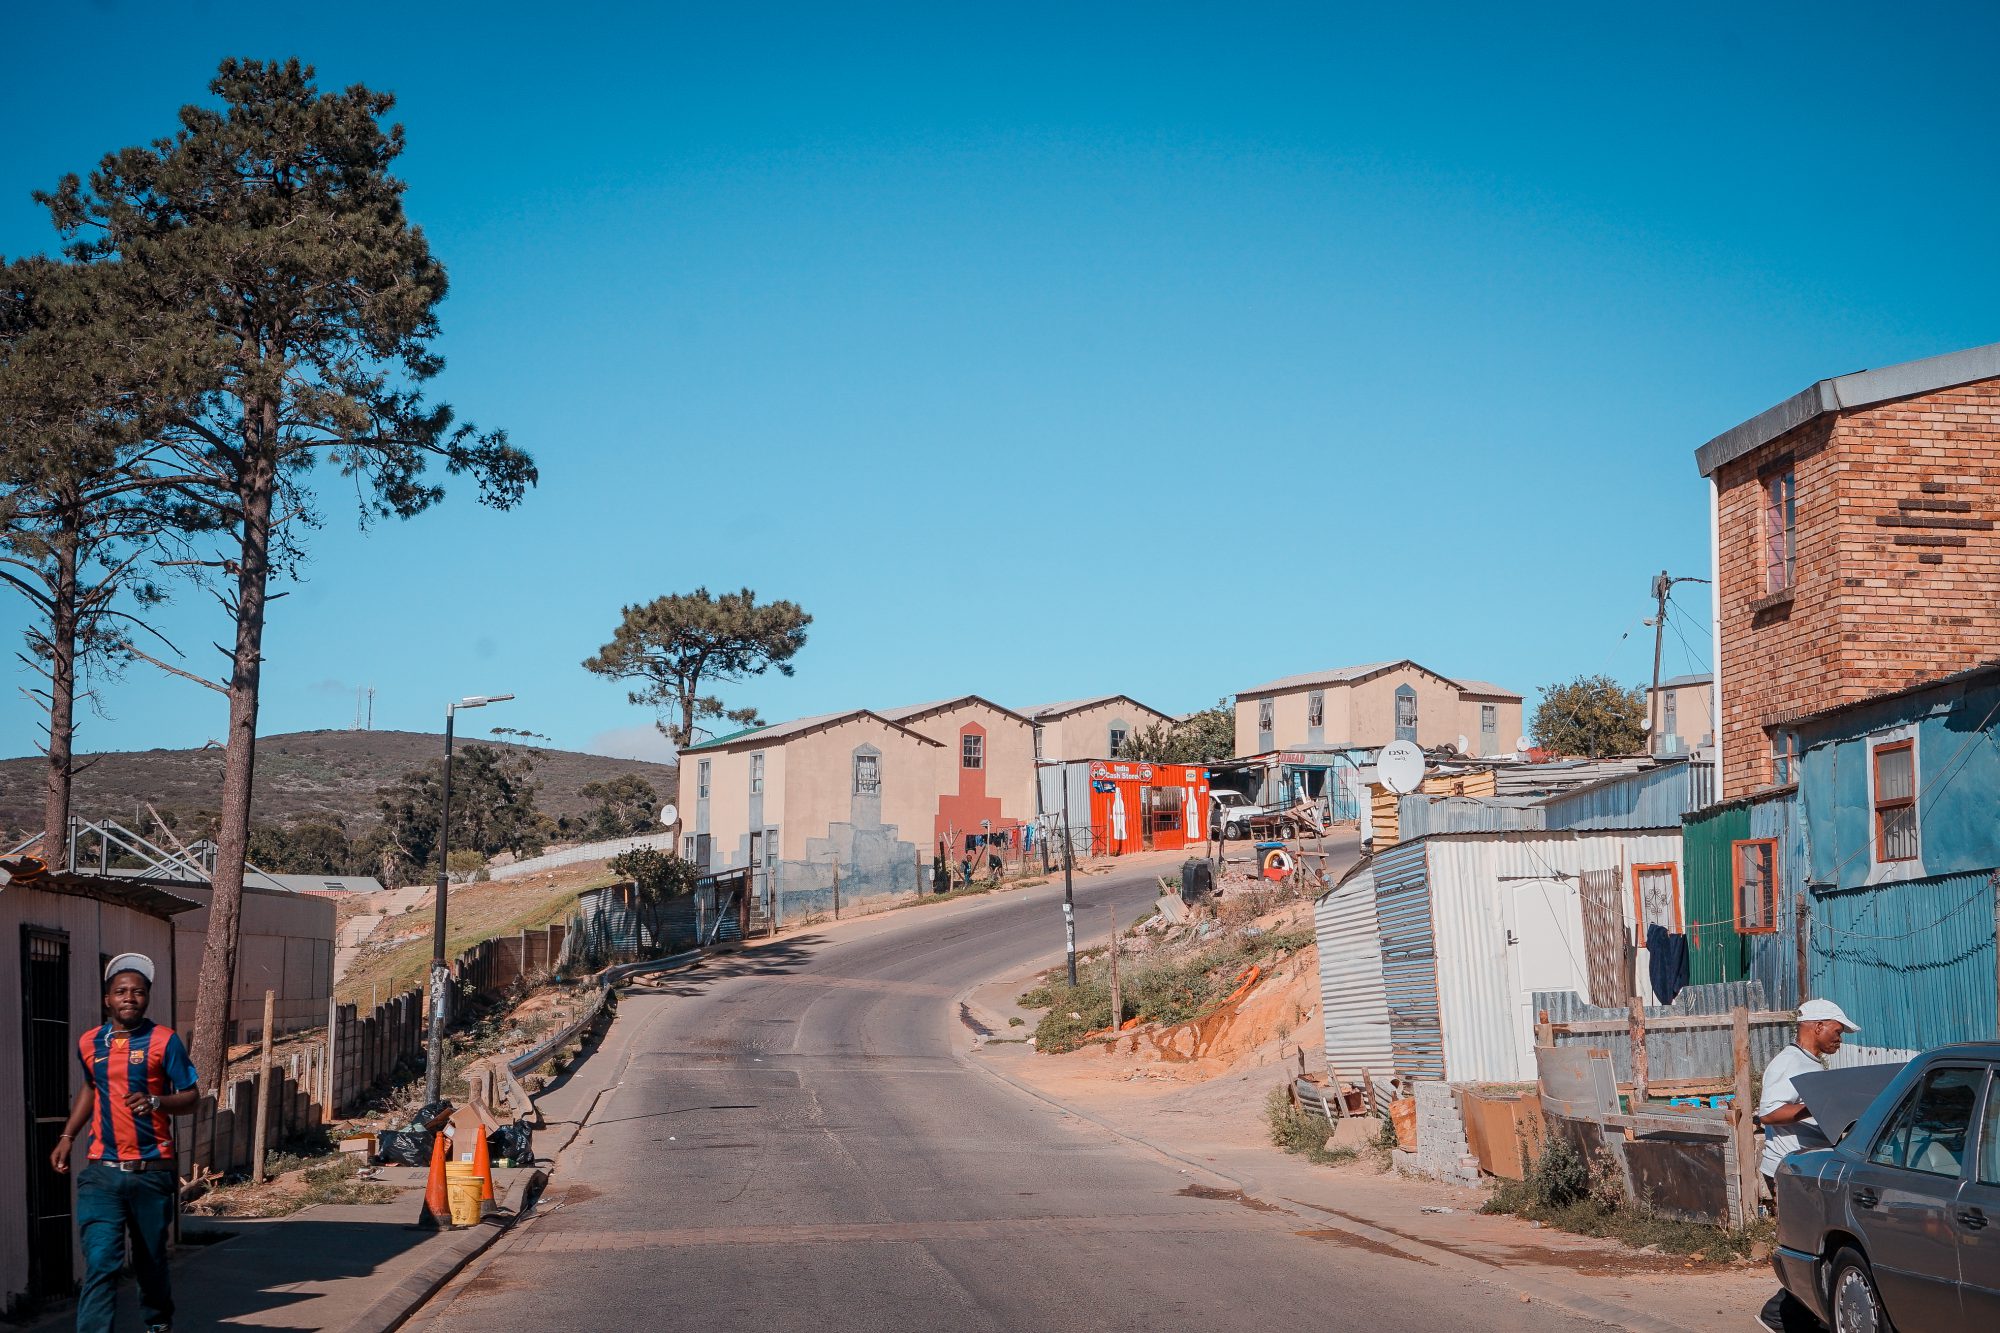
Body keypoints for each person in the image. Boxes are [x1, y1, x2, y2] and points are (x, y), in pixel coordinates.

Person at [51, 953, 201, 1333]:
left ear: (147, 998)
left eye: (137, 991)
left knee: (150, 1261)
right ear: (108, 1000)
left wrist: (156, 1102)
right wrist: (68, 1135)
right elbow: (91, 1087)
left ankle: (157, 1324)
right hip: (101, 1173)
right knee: (101, 1260)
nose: (129, 997)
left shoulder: (163, 1040)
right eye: (121, 991)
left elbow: (191, 1097)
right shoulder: (90, 1042)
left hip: (151, 1172)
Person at [1753, 997, 1860, 1205]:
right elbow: (1768, 1114)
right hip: (1789, 1169)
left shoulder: (1808, 1062)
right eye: (1837, 1031)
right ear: (1819, 1026)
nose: (1840, 1039)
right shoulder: (1789, 1062)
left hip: (1807, 1167)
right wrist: (1816, 1106)